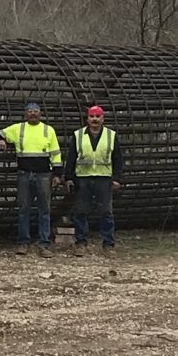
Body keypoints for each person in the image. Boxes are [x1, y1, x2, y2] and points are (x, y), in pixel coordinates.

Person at [0, 100, 61, 248]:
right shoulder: (18, 128)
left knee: (44, 209)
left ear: (40, 113)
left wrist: (57, 174)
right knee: (24, 208)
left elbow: (56, 153)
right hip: (25, 174)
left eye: (35, 111)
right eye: (30, 111)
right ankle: (23, 241)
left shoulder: (48, 130)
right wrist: (1, 140)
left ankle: (44, 242)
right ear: (25, 114)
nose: (33, 113)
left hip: (44, 175)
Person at [69, 103, 123, 249]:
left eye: (97, 116)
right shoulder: (78, 135)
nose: (94, 119)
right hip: (83, 178)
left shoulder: (111, 136)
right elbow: (71, 158)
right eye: (92, 116)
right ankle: (80, 241)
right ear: (87, 119)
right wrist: (69, 177)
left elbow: (117, 158)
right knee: (80, 211)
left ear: (102, 118)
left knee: (106, 211)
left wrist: (117, 178)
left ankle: (108, 243)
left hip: (104, 178)